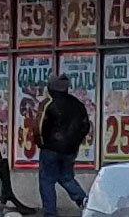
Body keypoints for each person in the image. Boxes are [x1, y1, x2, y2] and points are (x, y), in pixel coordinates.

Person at [34, 74, 90, 217]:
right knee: (66, 177)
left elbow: (38, 127)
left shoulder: (48, 103)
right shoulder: (77, 104)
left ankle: (50, 213)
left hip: (50, 148)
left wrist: (41, 143)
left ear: (51, 87)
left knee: (46, 180)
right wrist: (75, 143)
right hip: (70, 150)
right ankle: (85, 202)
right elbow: (85, 127)